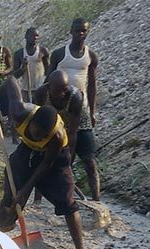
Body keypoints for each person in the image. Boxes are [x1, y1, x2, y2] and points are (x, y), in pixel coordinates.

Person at [0, 77, 85, 249]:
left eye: (44, 135)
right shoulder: (19, 112)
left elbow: (46, 164)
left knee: (67, 203)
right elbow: (10, 81)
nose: (39, 136)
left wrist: (26, 189)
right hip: (27, 149)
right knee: (11, 191)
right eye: (37, 131)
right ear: (32, 121)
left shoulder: (57, 137)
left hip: (55, 158)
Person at [50, 18, 101, 200]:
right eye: (77, 30)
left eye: (84, 31)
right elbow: (48, 83)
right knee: (60, 154)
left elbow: (92, 86)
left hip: (83, 111)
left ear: (87, 32)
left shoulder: (91, 56)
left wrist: (93, 112)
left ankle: (97, 201)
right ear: (70, 31)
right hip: (61, 111)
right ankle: (55, 196)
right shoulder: (58, 55)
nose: (80, 34)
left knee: (89, 160)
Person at [14, 28, 50, 102]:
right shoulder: (19, 53)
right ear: (26, 36)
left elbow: (48, 71)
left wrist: (45, 86)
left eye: (37, 36)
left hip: (40, 89)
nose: (35, 38)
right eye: (32, 35)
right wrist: (23, 67)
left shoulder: (43, 51)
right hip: (25, 90)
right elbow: (15, 75)